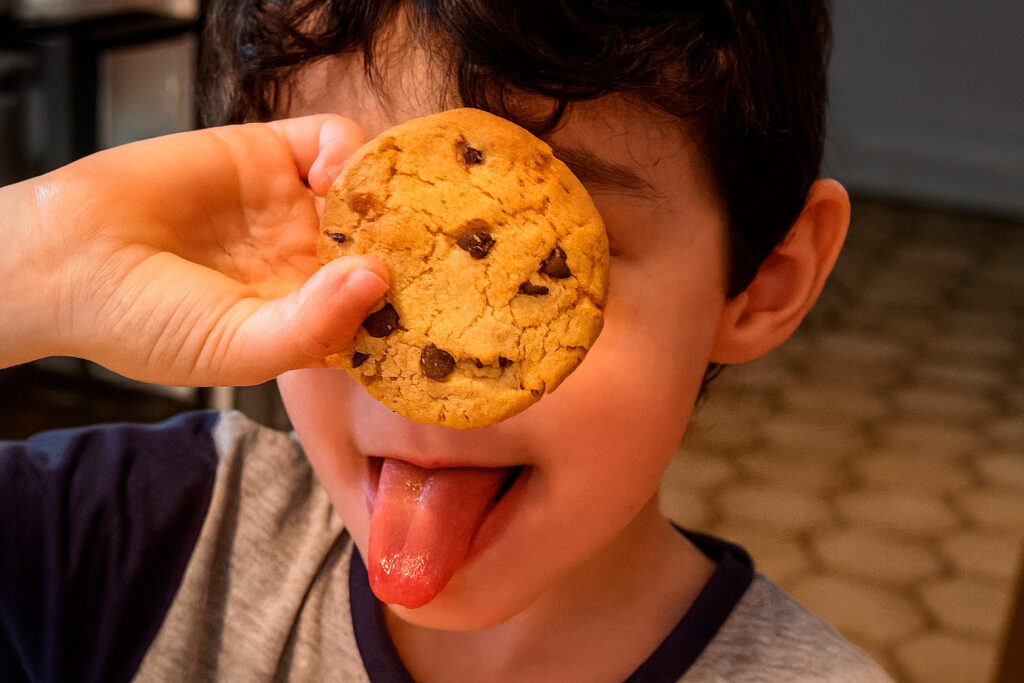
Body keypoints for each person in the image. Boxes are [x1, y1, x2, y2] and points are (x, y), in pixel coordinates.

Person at [0, 1, 893, 681]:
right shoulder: (132, 533)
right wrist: (31, 256)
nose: (424, 365)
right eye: (341, 233)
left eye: (539, 254)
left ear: (764, 280)